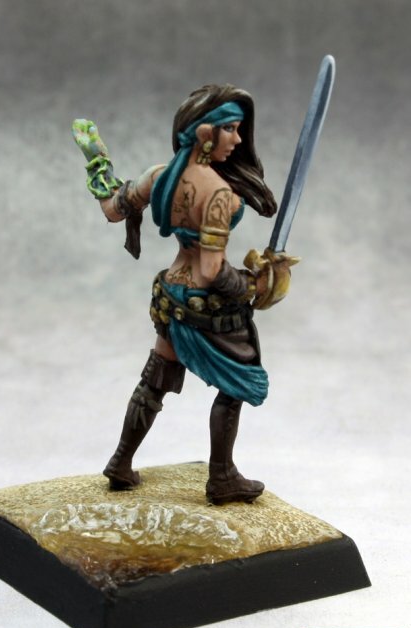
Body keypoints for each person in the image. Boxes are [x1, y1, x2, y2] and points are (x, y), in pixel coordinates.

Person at [72, 84, 296, 505]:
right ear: (204, 133)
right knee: (240, 381)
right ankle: (222, 477)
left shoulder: (159, 176)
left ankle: (121, 461)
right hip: (205, 305)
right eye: (230, 128)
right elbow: (211, 270)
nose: (238, 139)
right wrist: (254, 284)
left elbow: (112, 209)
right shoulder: (218, 194)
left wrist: (96, 159)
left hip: (171, 295)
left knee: (155, 378)